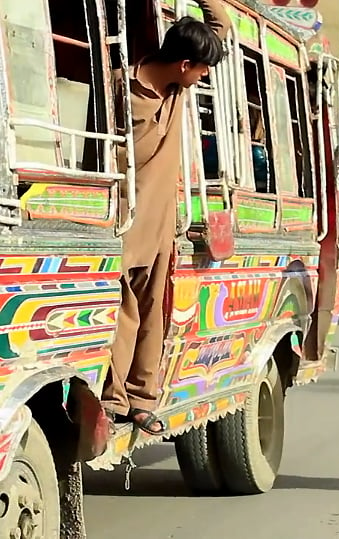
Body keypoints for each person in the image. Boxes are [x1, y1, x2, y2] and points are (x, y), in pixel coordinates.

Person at [103, 4, 230, 435]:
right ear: (183, 63)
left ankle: (140, 401)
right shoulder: (118, 91)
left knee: (152, 314)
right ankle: (113, 399)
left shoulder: (178, 91)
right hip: (121, 225)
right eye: (203, 69)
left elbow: (219, 26)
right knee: (122, 315)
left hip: (161, 229)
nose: (205, 77)